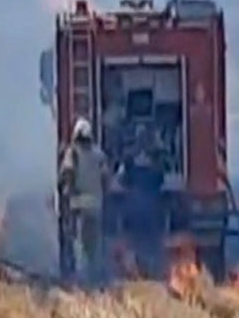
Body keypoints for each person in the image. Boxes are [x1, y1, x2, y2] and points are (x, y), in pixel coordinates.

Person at [59, 117, 111, 286]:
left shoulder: (72, 153)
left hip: (78, 207)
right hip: (96, 206)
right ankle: (95, 278)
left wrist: (65, 193)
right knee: (94, 245)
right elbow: (106, 179)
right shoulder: (99, 155)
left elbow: (67, 175)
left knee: (79, 244)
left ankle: (83, 282)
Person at [117, 132, 166, 279]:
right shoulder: (155, 172)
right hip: (151, 213)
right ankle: (153, 271)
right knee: (151, 244)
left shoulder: (131, 171)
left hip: (133, 213)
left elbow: (122, 181)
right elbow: (161, 180)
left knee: (136, 243)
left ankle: (137, 271)